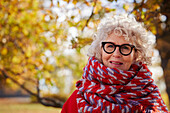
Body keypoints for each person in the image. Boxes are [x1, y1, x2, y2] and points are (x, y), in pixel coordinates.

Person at [61, 14, 169, 113]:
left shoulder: (150, 96)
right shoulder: (79, 99)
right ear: (100, 50)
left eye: (125, 48)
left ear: (136, 54)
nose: (116, 54)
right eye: (110, 46)